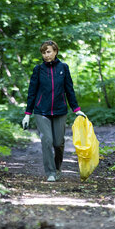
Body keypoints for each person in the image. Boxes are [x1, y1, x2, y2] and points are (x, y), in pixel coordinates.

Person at [22, 41, 85, 182]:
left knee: (58, 143)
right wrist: (27, 114)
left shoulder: (63, 68)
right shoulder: (38, 70)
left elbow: (69, 90)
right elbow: (32, 92)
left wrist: (77, 110)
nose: (46, 55)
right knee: (47, 140)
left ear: (55, 51)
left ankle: (57, 168)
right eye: (44, 53)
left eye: (49, 51)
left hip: (60, 110)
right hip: (41, 111)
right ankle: (50, 172)